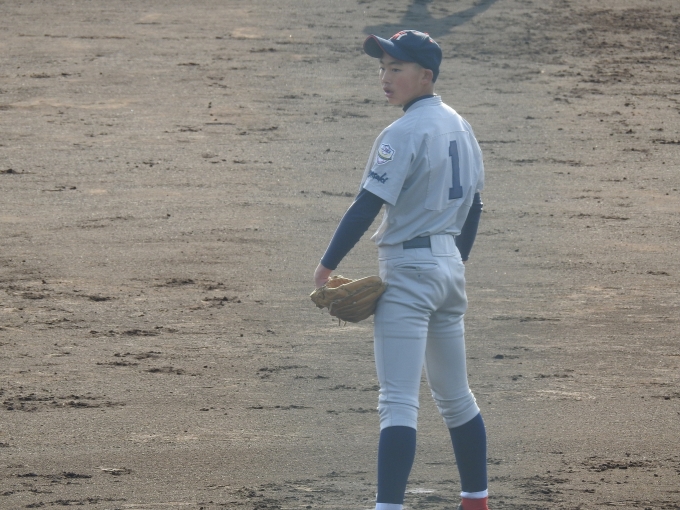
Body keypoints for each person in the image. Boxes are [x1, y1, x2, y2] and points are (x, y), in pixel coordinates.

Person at [313, 30, 488, 510]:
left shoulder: (402, 132)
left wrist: (326, 266)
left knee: (397, 402)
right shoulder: (461, 126)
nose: (385, 78)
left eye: (396, 68)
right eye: (382, 68)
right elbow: (474, 207)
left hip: (409, 271)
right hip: (449, 270)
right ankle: (476, 501)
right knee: (456, 397)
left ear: (425, 75)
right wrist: (454, 261)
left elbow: (367, 203)